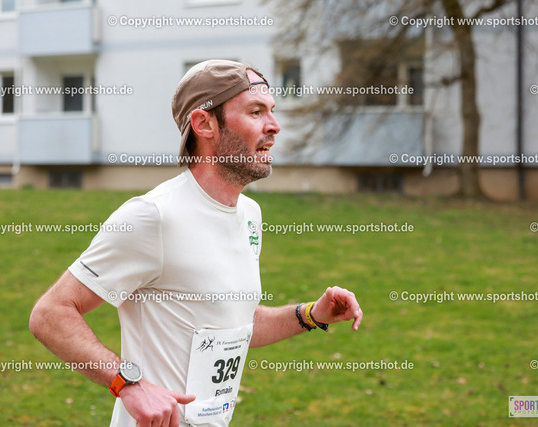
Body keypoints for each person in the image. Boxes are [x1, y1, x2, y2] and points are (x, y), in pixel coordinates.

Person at [29, 59, 363, 427]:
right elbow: (51, 313)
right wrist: (127, 384)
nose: (274, 125)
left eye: (271, 110)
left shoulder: (250, 215)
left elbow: (234, 321)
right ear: (204, 124)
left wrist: (311, 315)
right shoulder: (153, 216)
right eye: (256, 112)